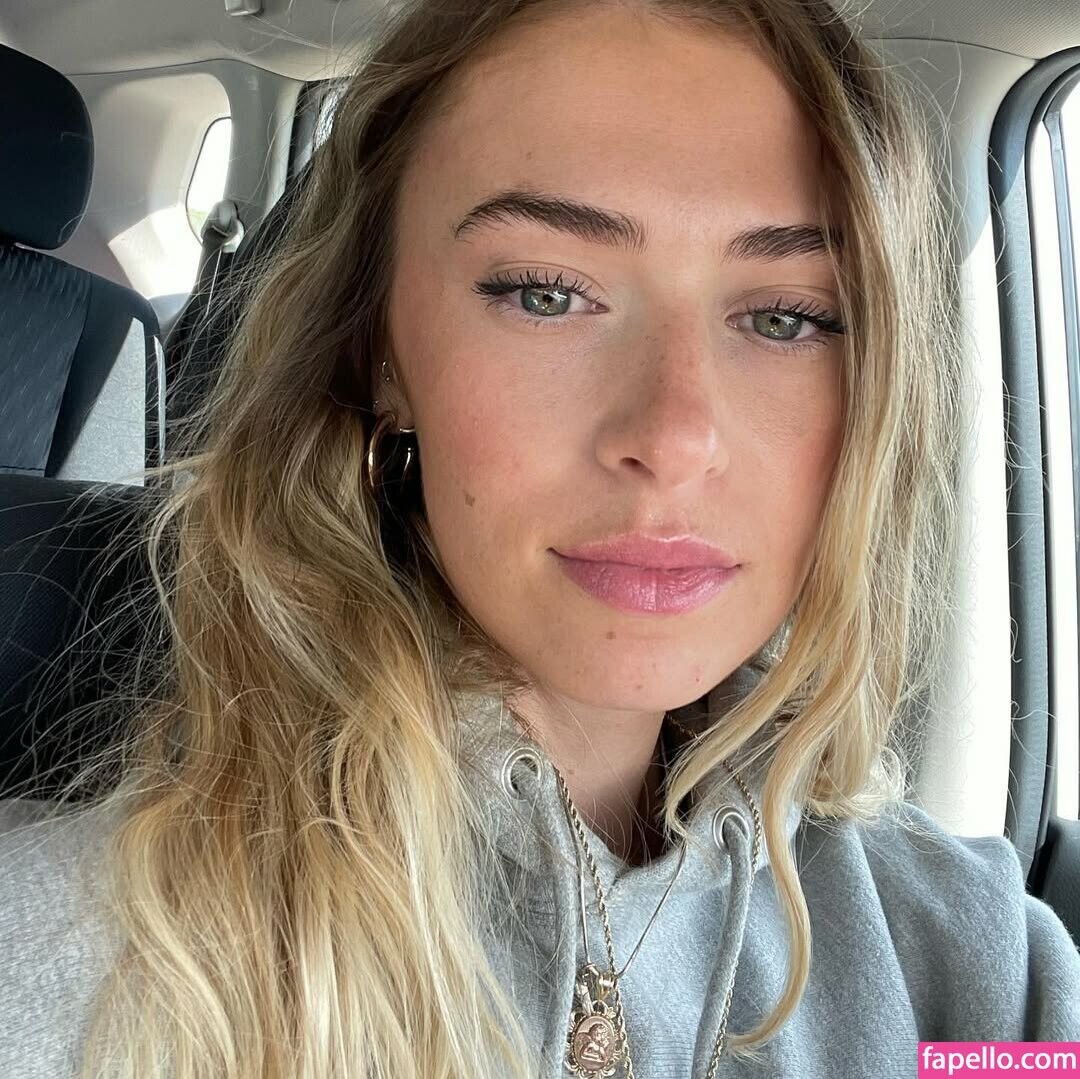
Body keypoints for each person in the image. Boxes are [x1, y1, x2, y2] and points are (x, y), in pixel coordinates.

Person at [1, 0, 1079, 1077]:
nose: (674, 438)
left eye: (787, 316)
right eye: (547, 294)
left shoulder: (972, 967)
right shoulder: (71, 966)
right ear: (381, 352)